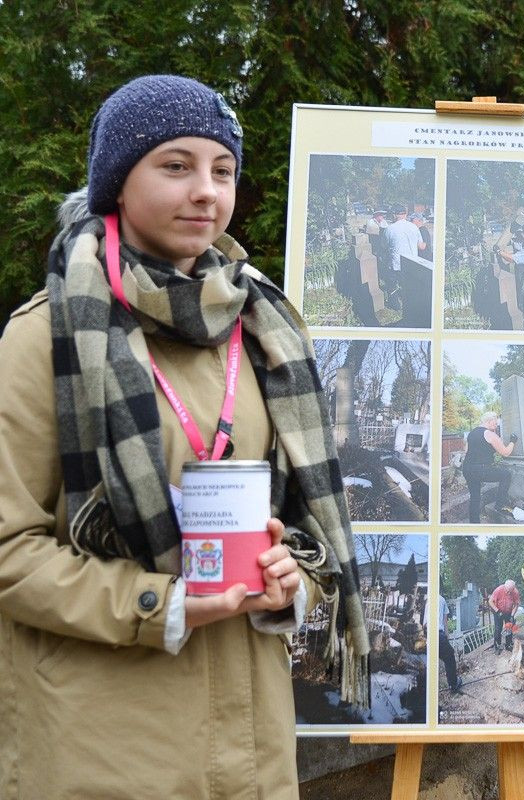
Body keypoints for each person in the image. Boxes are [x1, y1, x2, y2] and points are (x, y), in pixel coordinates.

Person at [0, 75, 370, 799]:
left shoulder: (265, 330)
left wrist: (293, 582)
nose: (206, 191)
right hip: (106, 749)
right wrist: (156, 604)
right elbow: (9, 552)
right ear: (117, 183)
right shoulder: (44, 337)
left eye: (222, 170)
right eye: (176, 165)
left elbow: (300, 524)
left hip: (253, 751)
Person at [461, 411, 517, 523]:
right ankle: (499, 505)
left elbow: (466, 450)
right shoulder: (490, 434)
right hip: (480, 469)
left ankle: (474, 524)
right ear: (490, 421)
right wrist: (512, 442)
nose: (496, 425)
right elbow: (505, 452)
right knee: (506, 475)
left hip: (467, 469)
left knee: (475, 497)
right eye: (495, 423)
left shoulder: (471, 433)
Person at [488, 579, 521, 652]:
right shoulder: (499, 590)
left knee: (509, 627)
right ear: (505, 587)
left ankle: (508, 645)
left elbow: (516, 604)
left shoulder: (515, 592)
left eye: (511, 591)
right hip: (497, 609)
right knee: (498, 628)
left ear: (513, 588)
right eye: (508, 590)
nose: (509, 592)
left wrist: (512, 615)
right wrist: (497, 611)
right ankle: (497, 645)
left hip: (508, 611)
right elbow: (490, 601)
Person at [438, 594, 460, 692]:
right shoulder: (441, 599)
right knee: (450, 657)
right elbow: (445, 621)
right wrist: (447, 636)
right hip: (438, 634)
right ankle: (453, 684)